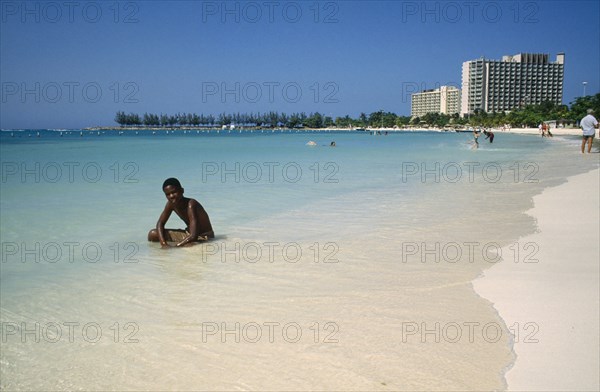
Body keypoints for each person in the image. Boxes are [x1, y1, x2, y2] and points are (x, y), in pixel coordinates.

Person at [148, 178, 214, 247]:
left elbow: (193, 236)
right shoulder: (171, 204)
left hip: (204, 236)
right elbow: (160, 223)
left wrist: (176, 246)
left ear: (182, 190)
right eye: (168, 194)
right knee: (153, 234)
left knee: (188, 246)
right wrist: (164, 244)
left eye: (174, 192)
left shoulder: (191, 204)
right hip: (189, 234)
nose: (171, 196)